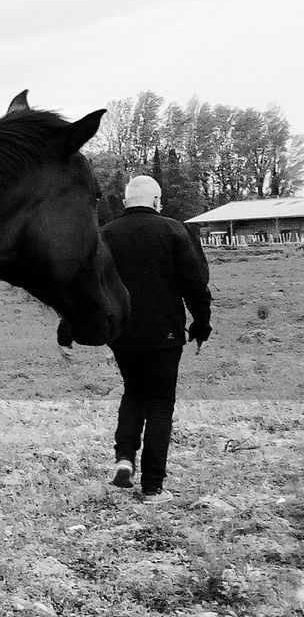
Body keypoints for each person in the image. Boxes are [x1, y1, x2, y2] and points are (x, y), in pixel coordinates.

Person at [59, 174, 212, 501]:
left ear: (127, 202)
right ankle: (153, 485)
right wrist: (201, 325)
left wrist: (67, 329)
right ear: (157, 201)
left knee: (133, 393)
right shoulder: (174, 230)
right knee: (159, 403)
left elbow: (85, 286)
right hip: (165, 334)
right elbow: (195, 285)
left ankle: (125, 458)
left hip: (122, 334)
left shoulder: (107, 234)